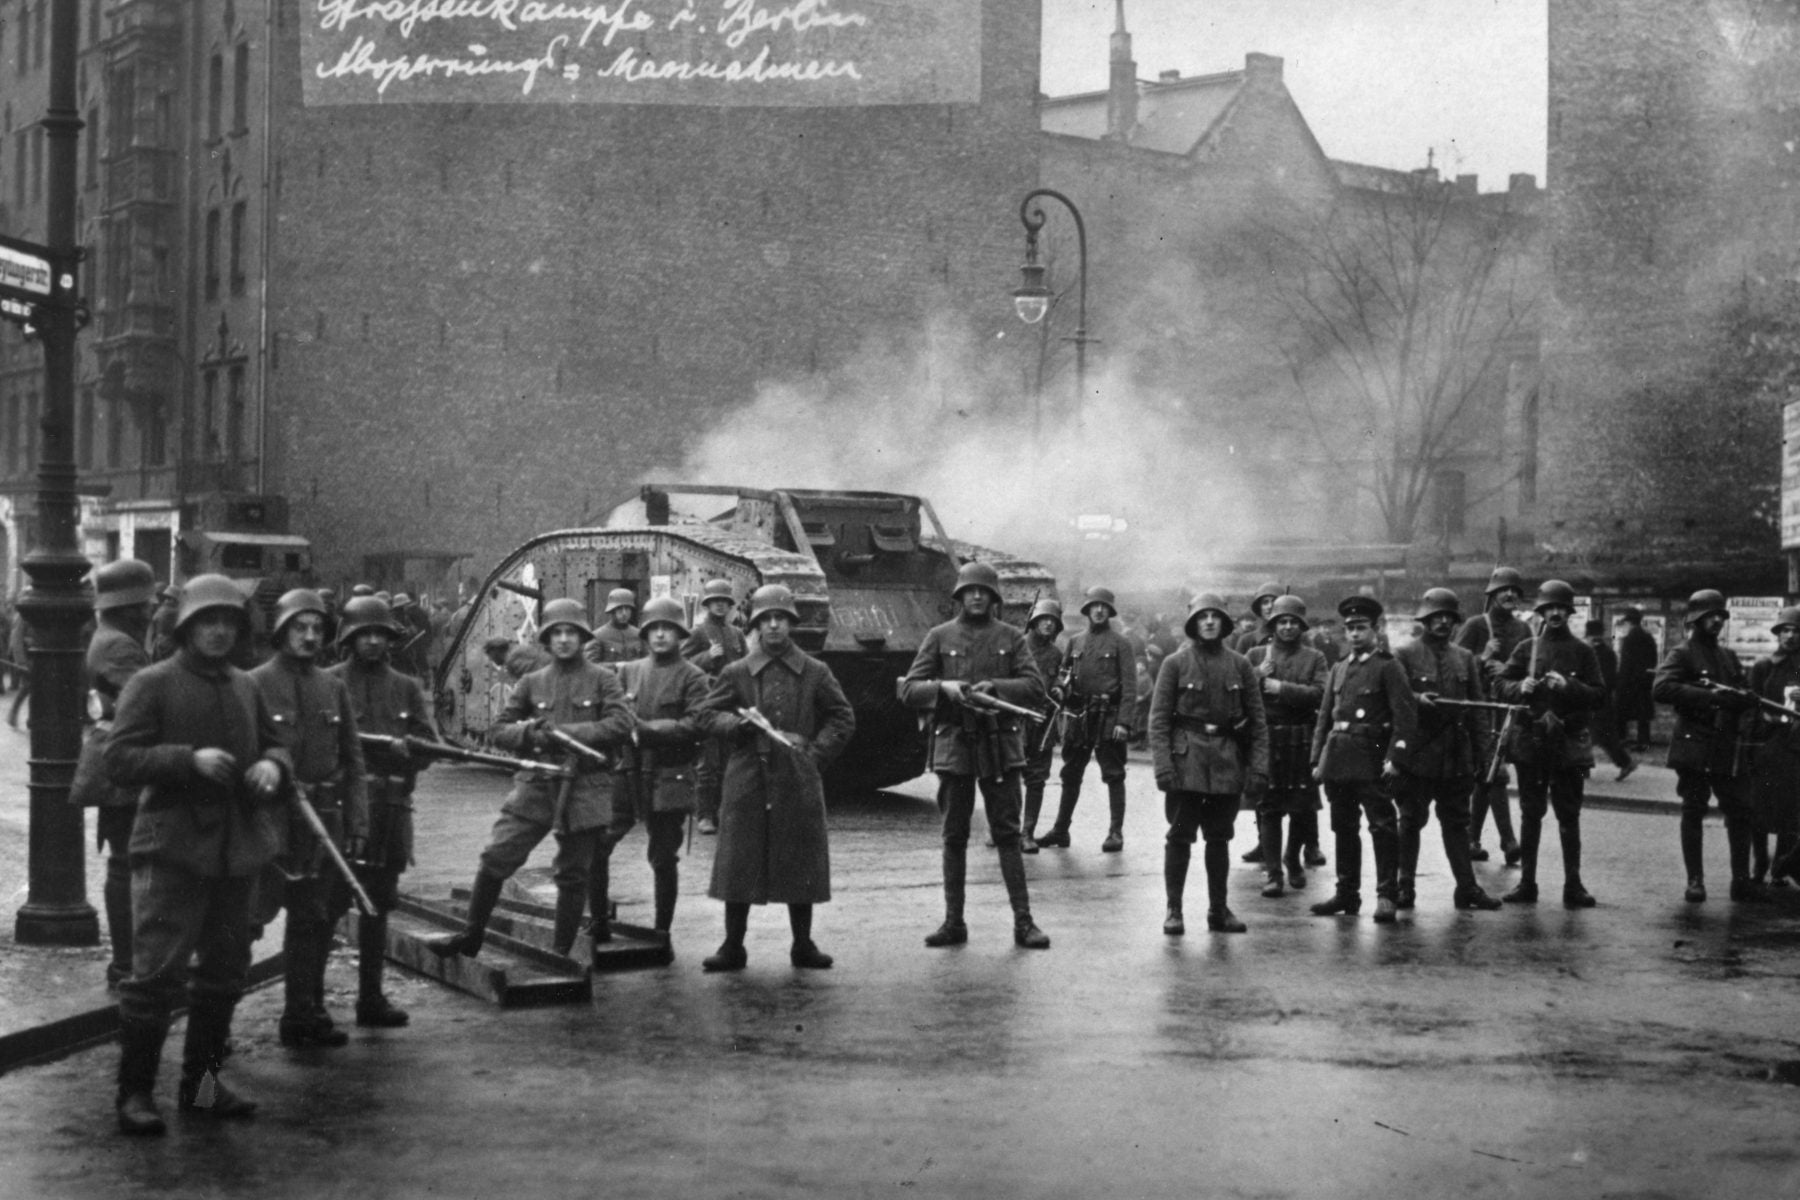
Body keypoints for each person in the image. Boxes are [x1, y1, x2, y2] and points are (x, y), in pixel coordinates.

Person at [105, 574, 293, 1134]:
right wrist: (188, 760)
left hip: (235, 853)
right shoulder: (151, 682)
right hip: (172, 851)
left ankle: (204, 1090)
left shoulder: (244, 685)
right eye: (206, 622)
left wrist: (273, 765)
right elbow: (119, 760)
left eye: (228, 623)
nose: (217, 632)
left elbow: (273, 743)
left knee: (223, 976)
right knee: (154, 977)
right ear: (185, 627)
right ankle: (134, 1095)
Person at [429, 598, 633, 960]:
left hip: (585, 786)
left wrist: (571, 732)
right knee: (496, 856)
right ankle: (472, 934)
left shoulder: (603, 680)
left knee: (572, 874)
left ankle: (559, 953)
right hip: (538, 782)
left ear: (583, 636)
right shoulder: (532, 681)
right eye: (557, 633)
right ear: (547, 638)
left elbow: (620, 723)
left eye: (572, 632)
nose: (565, 640)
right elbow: (498, 730)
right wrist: (533, 736)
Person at [697, 584, 855, 970]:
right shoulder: (736, 672)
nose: (773, 626)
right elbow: (705, 715)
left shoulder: (816, 671)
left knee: (800, 860)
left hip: (796, 776)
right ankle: (732, 946)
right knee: (739, 861)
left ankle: (803, 945)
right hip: (747, 773)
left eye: (780, 619)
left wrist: (815, 754)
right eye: (765, 619)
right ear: (755, 625)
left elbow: (842, 716)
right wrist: (737, 726)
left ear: (791, 624)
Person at [902, 562, 1051, 950]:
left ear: (994, 598)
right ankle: (953, 923)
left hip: (1000, 745)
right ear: (959, 597)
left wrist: (997, 688)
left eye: (984, 591)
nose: (977, 596)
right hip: (954, 745)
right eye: (970, 591)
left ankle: (1024, 922)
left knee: (1006, 834)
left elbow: (1035, 687)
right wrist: (944, 688)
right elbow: (909, 689)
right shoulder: (939, 636)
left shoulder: (1013, 638)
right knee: (954, 835)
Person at [250, 590, 371, 1048]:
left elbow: (354, 761)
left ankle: (301, 1014)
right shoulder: (254, 683)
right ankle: (208, 1054)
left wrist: (357, 823)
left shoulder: (332, 687)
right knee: (243, 926)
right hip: (269, 824)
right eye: (299, 628)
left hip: (322, 825)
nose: (309, 636)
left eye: (317, 629)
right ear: (281, 631)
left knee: (314, 920)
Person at [329, 595, 437, 1026]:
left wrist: (409, 750)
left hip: (391, 810)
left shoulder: (407, 687)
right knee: (329, 904)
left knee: (378, 906)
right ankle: (309, 1004)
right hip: (343, 809)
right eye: (363, 635)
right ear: (349, 639)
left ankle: (370, 999)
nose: (372, 642)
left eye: (380, 634)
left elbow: (427, 745)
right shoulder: (330, 682)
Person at [593, 597, 711, 954]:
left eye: (668, 629)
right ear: (645, 634)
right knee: (598, 847)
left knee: (662, 857)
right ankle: (597, 924)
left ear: (679, 634)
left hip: (669, 774)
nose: (660, 635)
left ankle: (662, 932)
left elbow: (697, 723)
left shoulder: (693, 676)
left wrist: (648, 730)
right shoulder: (628, 671)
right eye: (654, 629)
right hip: (627, 772)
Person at [1147, 593, 1268, 934]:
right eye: (1203, 617)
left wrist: (1258, 768)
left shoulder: (1240, 665)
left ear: (1224, 623)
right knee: (1180, 837)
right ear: (1193, 623)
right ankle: (1174, 910)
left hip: (1227, 761)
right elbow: (1158, 721)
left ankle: (1218, 910)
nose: (1210, 622)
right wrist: (1163, 766)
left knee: (1219, 838)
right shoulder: (1175, 663)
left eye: (1216, 616)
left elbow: (1257, 722)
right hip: (1187, 764)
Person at [1392, 589, 1503, 912]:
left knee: (1457, 823)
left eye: (1448, 617)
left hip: (1456, 755)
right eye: (1435, 617)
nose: (1442, 622)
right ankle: (1404, 886)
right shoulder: (1405, 654)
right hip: (1418, 753)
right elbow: (1395, 699)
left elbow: (1478, 711)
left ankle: (1467, 888)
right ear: (1424, 620)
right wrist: (1417, 700)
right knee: (1410, 820)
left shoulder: (1464, 658)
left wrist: (1485, 756)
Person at [1496, 580, 1603, 908]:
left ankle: (1574, 885)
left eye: (1561, 608)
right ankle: (1527, 883)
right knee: (1531, 814)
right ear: (1541, 613)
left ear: (1569, 613)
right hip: (1532, 742)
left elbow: (1599, 694)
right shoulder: (1526, 649)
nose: (1555, 613)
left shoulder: (1583, 651)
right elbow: (1500, 684)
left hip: (1568, 743)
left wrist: (1570, 686)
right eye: (1549, 609)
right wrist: (1520, 687)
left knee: (1569, 815)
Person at [1309, 595, 1415, 924]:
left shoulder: (1388, 666)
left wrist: (1395, 757)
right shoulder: (1340, 668)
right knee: (1343, 827)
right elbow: (1325, 717)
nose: (1354, 634)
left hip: (1372, 759)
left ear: (1376, 629)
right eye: (1350, 628)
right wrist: (1316, 759)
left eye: (1361, 628)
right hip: (1339, 759)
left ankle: (1386, 894)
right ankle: (1346, 894)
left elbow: (1406, 717)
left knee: (1382, 827)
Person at [1653, 589, 1760, 904]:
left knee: (1740, 811)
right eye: (1709, 616)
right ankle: (1695, 881)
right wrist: (1711, 697)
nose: (1716, 621)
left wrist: (1745, 698)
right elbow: (1662, 688)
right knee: (1694, 809)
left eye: (1720, 616)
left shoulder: (1728, 656)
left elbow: (1741, 689)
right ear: (1695, 620)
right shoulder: (1682, 653)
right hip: (1695, 743)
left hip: (1726, 745)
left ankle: (1740, 881)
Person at [85, 560, 160, 987]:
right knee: (126, 864)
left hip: (115, 764)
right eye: (146, 603)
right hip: (124, 771)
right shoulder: (120, 647)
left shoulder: (111, 637)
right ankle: (127, 963)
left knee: (124, 862)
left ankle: (128, 961)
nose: (151, 610)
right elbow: (145, 703)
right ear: (131, 606)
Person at [1038, 586, 1135, 853]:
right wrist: (1060, 687)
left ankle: (1115, 832)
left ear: (1110, 611)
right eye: (1095, 606)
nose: (1099, 610)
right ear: (1087, 610)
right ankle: (1060, 830)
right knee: (1070, 773)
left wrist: (1123, 722)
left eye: (1104, 606)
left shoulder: (1121, 643)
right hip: (1079, 716)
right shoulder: (1075, 642)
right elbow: (1064, 674)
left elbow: (1130, 686)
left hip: (1108, 716)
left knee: (1114, 774)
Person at [1244, 595, 1327, 897]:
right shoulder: (1255, 655)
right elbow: (1238, 692)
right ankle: (1274, 873)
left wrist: (1282, 688)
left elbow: (1321, 694)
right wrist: (1257, 675)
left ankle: (1292, 857)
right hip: (1267, 737)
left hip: (1302, 737)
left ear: (1301, 626)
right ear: (1273, 624)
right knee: (1269, 808)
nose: (1288, 627)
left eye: (1293, 622)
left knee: (1302, 808)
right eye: (1282, 622)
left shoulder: (1314, 657)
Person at [1455, 567, 1531, 866]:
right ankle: (1508, 840)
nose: (1509, 594)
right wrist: (1482, 657)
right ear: (1492, 595)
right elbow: (1453, 664)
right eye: (1503, 590)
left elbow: (1530, 669)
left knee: (1487, 775)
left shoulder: (1524, 630)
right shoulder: (1476, 625)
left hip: (1509, 709)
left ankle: (1471, 839)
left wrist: (1510, 673)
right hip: (1480, 709)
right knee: (1494, 771)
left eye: (1514, 590)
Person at [682, 579, 749, 835]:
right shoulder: (698, 632)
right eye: (715, 601)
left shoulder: (737, 634)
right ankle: (705, 816)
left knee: (730, 764)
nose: (720, 605)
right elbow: (684, 664)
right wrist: (706, 658)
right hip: (709, 704)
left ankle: (725, 813)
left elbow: (746, 665)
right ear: (707, 604)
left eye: (724, 601)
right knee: (708, 765)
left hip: (733, 706)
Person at [1749, 606, 1800, 888]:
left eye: (1796, 631)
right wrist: (1767, 718)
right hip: (1767, 746)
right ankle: (1760, 861)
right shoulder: (1764, 666)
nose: (1790, 636)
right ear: (1778, 634)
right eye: (1785, 630)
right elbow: (1750, 706)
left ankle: (1781, 866)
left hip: (1796, 748)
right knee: (1759, 809)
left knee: (1790, 812)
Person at [1019, 597, 1066, 853]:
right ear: (1034, 622)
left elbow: (1060, 677)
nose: (1048, 624)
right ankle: (1002, 829)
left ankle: (1027, 832)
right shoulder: (1019, 647)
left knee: (1036, 779)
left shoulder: (1057, 654)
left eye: (1053, 621)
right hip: (1018, 720)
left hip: (1044, 724)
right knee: (1008, 775)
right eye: (1043, 620)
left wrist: (1059, 688)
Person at [1585, 618, 1637, 781]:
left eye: (1594, 636)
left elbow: (1607, 680)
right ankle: (1583, 769)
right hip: (1594, 701)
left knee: (1602, 738)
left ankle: (1626, 762)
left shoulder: (1603, 654)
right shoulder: (1601, 652)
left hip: (1599, 702)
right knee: (1590, 736)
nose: (1593, 640)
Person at [1616, 606, 1658, 749]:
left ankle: (1622, 739)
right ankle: (1643, 741)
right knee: (1643, 713)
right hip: (1644, 680)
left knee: (1620, 709)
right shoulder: (1648, 637)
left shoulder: (1628, 639)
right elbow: (1654, 659)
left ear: (1629, 622)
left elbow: (1626, 663)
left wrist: (1621, 681)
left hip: (1629, 681)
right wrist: (1647, 674)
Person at [587, 588, 643, 665]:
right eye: (619, 608)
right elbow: (590, 666)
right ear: (612, 610)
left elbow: (648, 664)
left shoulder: (639, 635)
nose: (624, 613)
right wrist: (615, 666)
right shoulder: (598, 636)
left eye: (627, 609)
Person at [1229, 581, 1284, 654]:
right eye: (1265, 602)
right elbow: (1238, 664)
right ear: (1259, 608)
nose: (1270, 606)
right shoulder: (1247, 641)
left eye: (1274, 601)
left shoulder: (1294, 638)